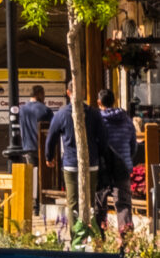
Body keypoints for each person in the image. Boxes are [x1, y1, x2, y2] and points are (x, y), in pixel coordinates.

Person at [46, 89, 109, 235]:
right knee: (90, 201)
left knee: (73, 202)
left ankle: (76, 237)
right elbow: (104, 139)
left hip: (70, 164)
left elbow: (51, 138)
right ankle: (89, 234)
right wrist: (98, 155)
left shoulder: (61, 114)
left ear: (68, 92)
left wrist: (49, 157)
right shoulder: (94, 114)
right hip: (91, 163)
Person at [98, 86, 138, 235]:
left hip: (103, 167)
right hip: (122, 166)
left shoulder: (98, 120)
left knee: (99, 203)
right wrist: (127, 159)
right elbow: (133, 145)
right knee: (124, 204)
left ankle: (99, 241)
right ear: (114, 101)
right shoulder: (127, 120)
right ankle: (126, 241)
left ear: (99, 102)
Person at [16, 85, 50, 164]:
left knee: (32, 174)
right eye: (43, 94)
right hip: (43, 148)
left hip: (28, 148)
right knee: (44, 175)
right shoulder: (46, 110)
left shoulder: (22, 110)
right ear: (39, 94)